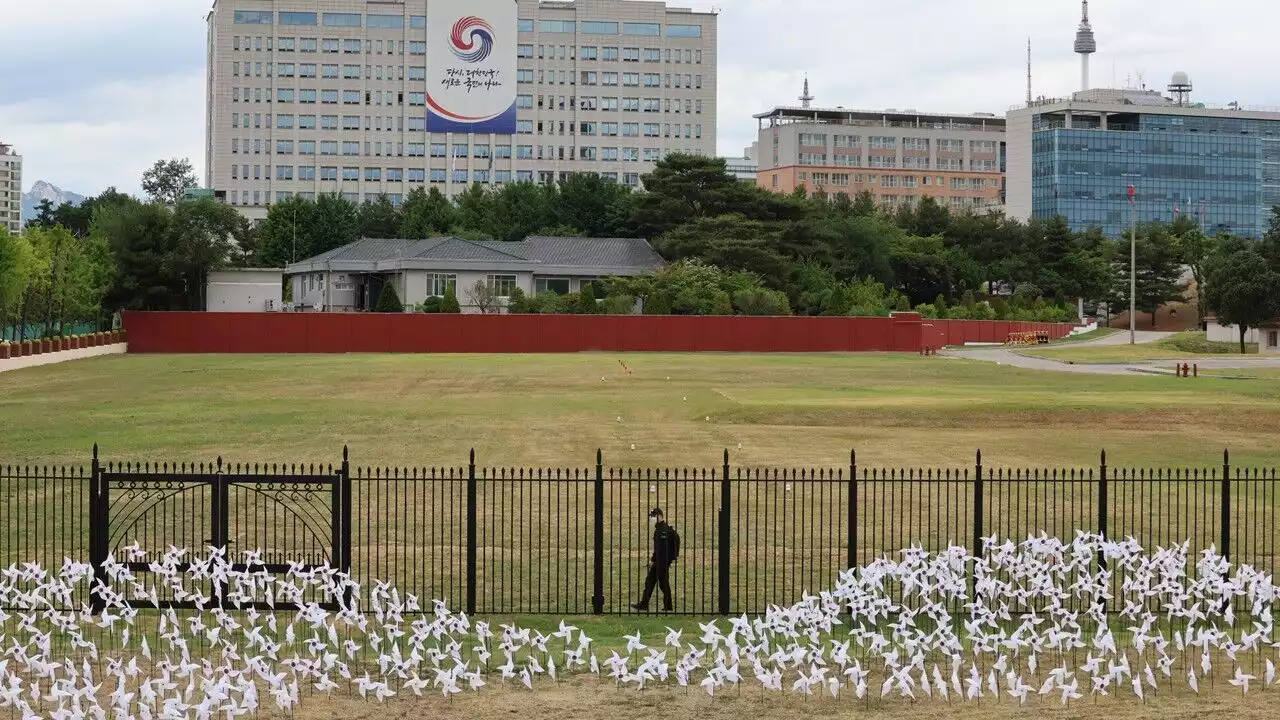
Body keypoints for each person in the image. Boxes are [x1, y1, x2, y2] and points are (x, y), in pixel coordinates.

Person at [631, 507, 679, 612]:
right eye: (651, 517)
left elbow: (673, 543)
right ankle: (647, 604)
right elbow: (658, 548)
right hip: (659, 562)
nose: (652, 519)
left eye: (654, 517)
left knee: (662, 584)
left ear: (660, 516)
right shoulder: (660, 529)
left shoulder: (665, 530)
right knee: (652, 582)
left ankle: (666, 606)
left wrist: (671, 559)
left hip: (662, 562)